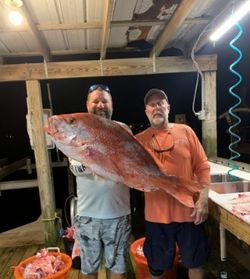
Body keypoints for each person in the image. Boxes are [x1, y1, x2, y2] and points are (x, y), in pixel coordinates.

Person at [135, 88, 211, 279]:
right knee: (156, 268)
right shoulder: (139, 141)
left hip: (189, 213)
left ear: (168, 107)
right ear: (146, 111)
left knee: (196, 263)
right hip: (156, 217)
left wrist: (203, 199)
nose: (157, 107)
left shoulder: (186, 132)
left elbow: (202, 167)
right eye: (152, 104)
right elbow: (132, 175)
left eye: (161, 103)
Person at [69, 84, 131, 279]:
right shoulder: (77, 129)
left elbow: (131, 165)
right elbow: (76, 168)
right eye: (95, 101)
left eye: (105, 101)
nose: (100, 105)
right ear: (87, 104)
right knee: (89, 269)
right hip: (88, 215)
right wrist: (91, 159)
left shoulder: (123, 129)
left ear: (112, 105)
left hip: (119, 212)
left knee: (118, 268)